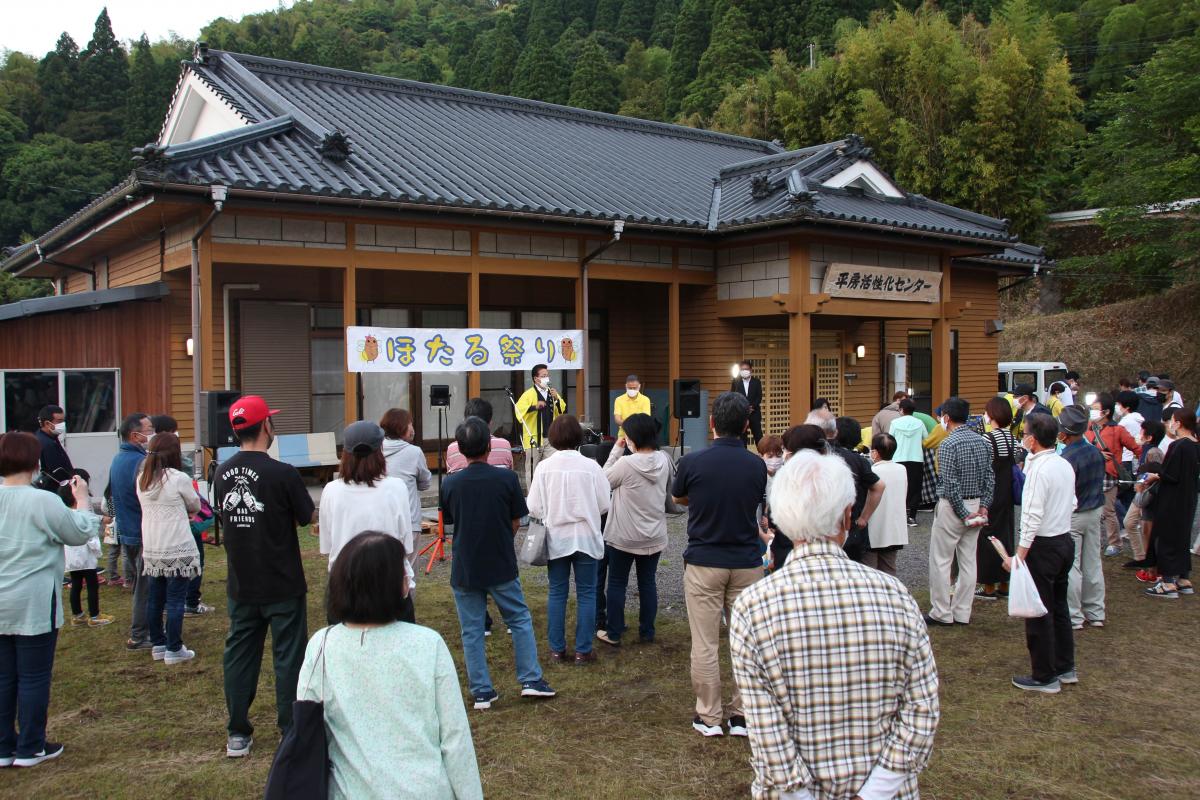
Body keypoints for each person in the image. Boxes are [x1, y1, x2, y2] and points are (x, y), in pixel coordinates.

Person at [729, 450, 939, 799]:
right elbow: (922, 707)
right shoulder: (895, 595)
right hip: (886, 790)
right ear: (846, 516)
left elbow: (766, 729)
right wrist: (875, 791)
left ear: (778, 520)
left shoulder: (753, 607)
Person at [297, 533, 483, 800]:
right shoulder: (428, 644)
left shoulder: (322, 646)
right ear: (395, 586)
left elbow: (305, 728)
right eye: (403, 572)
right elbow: (455, 738)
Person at [213, 395, 316, 758]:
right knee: (288, 655)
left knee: (239, 653)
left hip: (241, 581)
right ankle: (290, 729)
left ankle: (237, 732)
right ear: (265, 427)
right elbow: (306, 516)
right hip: (282, 581)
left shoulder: (222, 472)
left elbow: (224, 518)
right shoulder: (282, 473)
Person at [440, 416, 554, 709]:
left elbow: (452, 521)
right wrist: (504, 536)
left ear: (460, 449)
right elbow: (517, 520)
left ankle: (481, 691)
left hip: (465, 564)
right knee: (518, 619)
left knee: (472, 629)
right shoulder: (506, 478)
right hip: (500, 560)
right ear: (489, 446)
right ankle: (530, 679)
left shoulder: (451, 483)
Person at [0, 432, 98, 767]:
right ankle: (31, 745)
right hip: (34, 600)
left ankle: (3, 745)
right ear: (34, 462)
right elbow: (79, 532)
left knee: (4, 676)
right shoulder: (41, 501)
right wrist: (82, 500)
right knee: (33, 676)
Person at [671, 392, 767, 738]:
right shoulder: (756, 465)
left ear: (711, 423)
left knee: (705, 642)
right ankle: (743, 714)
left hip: (704, 561)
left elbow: (678, 497)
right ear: (745, 426)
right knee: (747, 641)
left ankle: (709, 716)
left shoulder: (693, 463)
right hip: (746, 561)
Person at [526, 415, 610, 664]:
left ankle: (556, 649)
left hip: (556, 537)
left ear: (552, 437)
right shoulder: (591, 466)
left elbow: (533, 506)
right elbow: (605, 504)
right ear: (578, 437)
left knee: (557, 592)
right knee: (587, 593)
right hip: (586, 536)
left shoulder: (544, 467)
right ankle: (583, 651)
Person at [1002, 412, 1077, 693]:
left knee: (1038, 610)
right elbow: (1072, 502)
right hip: (1063, 541)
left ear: (1032, 440)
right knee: (1059, 607)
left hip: (1043, 546)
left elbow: (1031, 516)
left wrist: (1019, 556)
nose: (1023, 440)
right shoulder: (1063, 464)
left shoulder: (1039, 470)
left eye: (1024, 435)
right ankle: (1065, 665)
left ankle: (1044, 675)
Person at [596, 413, 680, 648]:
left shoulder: (626, 463)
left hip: (624, 536)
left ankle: (613, 632)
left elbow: (602, 481)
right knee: (647, 583)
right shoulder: (663, 459)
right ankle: (647, 632)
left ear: (633, 438)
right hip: (654, 534)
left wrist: (615, 451)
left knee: (616, 583)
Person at [319, 421, 414, 622]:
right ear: (380, 450)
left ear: (345, 454)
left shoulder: (331, 490)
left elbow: (328, 546)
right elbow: (405, 544)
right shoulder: (396, 487)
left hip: (344, 585)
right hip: (389, 582)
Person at [926, 397, 994, 626]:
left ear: (946, 418)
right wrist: (983, 506)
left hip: (952, 507)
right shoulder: (983, 442)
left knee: (941, 560)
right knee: (968, 560)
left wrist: (963, 512)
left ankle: (942, 611)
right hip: (976, 504)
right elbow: (989, 478)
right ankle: (963, 611)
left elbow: (949, 481)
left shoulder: (947, 444)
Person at [137, 433, 202, 664]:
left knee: (155, 599)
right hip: (177, 546)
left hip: (153, 547)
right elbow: (194, 503)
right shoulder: (177, 478)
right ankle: (174, 648)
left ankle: (159, 643)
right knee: (175, 600)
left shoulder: (142, 479)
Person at [151, 415, 212, 617]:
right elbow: (193, 503)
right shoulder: (178, 475)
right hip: (182, 529)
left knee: (158, 587)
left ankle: (160, 636)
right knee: (190, 568)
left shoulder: (144, 474)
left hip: (156, 536)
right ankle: (190, 603)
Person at [1057, 406, 1107, 630]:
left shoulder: (1066, 457)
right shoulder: (1095, 452)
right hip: (1094, 511)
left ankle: (1074, 616)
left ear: (1064, 433)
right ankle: (1096, 612)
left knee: (1072, 567)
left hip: (1075, 514)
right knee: (1093, 562)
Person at [1142, 409, 1199, 599]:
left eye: (1172, 421)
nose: (1170, 424)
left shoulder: (1178, 446)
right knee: (1182, 537)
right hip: (1188, 498)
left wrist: (1155, 475)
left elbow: (1170, 474)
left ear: (1179, 423)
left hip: (1171, 499)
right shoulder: (1195, 445)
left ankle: (1167, 582)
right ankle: (1183, 578)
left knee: (1165, 538)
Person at [109, 412, 154, 651]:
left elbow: (111, 494)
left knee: (140, 583)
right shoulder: (141, 462)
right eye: (148, 430)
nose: (151, 433)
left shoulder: (117, 459)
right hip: (141, 529)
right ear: (135, 435)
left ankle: (145, 628)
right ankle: (140, 634)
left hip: (127, 529)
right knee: (145, 585)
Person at [822, 413, 885, 563]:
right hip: (852, 524)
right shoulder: (859, 460)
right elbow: (879, 486)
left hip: (822, 523)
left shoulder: (821, 455)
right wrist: (864, 517)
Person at [1084, 393, 1141, 557]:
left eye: (1096, 409)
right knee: (1088, 509)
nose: (1092, 412)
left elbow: (1136, 448)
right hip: (1089, 473)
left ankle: (1115, 543)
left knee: (1108, 511)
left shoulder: (1117, 430)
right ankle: (1092, 540)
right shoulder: (1087, 427)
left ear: (1106, 412)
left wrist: (1143, 465)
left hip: (1108, 474)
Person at [380, 408, 432, 582]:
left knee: (384, 568)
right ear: (401, 427)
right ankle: (406, 605)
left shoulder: (376, 450)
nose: (412, 428)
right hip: (409, 520)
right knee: (408, 571)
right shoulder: (414, 452)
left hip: (382, 519)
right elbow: (425, 483)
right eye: (410, 423)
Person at [975, 398, 1017, 601]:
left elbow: (982, 467)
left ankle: (989, 585)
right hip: (1007, 493)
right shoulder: (1011, 437)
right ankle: (1005, 582)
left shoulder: (987, 438)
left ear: (991, 415)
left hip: (991, 493)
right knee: (1006, 534)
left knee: (987, 537)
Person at [59, 474, 112, 628]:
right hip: (86, 558)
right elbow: (91, 535)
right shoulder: (83, 516)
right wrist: (97, 550)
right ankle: (94, 615)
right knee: (91, 585)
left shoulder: (65, 515)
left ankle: (77, 615)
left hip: (71, 559)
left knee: (75, 584)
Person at [514, 363, 566, 485]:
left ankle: (549, 495)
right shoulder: (528, 394)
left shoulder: (552, 393)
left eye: (547, 375)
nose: (546, 378)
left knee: (553, 468)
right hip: (533, 439)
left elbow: (562, 409)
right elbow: (518, 411)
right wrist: (534, 406)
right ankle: (533, 500)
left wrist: (557, 398)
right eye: (543, 376)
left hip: (550, 439)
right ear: (535, 378)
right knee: (532, 471)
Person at [1124, 420, 1165, 569]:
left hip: (1147, 496)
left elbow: (1155, 473)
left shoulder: (1154, 452)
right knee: (1132, 523)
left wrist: (1143, 483)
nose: (1139, 434)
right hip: (1142, 494)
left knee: (1144, 528)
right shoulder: (1146, 450)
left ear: (1149, 437)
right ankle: (1141, 557)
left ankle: (1147, 563)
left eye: (1142, 432)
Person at [866, 434, 908, 576]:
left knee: (870, 571)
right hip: (894, 528)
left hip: (873, 528)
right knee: (889, 570)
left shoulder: (872, 471)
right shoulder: (902, 469)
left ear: (875, 453)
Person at [445, 397, 513, 473]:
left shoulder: (452, 448)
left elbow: (451, 477)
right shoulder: (504, 445)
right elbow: (509, 473)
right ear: (490, 422)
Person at [889, 399, 926, 527]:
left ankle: (898, 516)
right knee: (915, 488)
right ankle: (912, 517)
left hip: (898, 458)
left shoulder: (894, 423)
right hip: (916, 459)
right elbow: (926, 439)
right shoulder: (919, 423)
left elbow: (890, 439)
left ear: (902, 410)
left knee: (898, 488)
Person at [730, 360, 764, 445]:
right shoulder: (736, 382)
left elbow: (759, 397)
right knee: (742, 438)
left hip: (754, 413)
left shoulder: (756, 382)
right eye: (742, 369)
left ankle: (763, 455)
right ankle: (743, 456)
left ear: (751, 370)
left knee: (758, 436)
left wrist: (752, 407)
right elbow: (733, 396)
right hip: (741, 414)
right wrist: (742, 408)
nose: (744, 371)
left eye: (747, 369)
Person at [34, 405, 72, 481]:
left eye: (63, 421)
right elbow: (57, 472)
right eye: (59, 421)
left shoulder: (48, 437)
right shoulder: (47, 444)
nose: (63, 424)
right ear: (47, 424)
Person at [613, 374, 651, 443]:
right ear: (626, 386)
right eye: (630, 388)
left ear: (639, 386)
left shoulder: (645, 400)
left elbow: (645, 419)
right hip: (623, 436)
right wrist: (631, 425)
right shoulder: (619, 400)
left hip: (640, 436)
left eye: (634, 388)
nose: (632, 390)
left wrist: (628, 424)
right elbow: (617, 419)